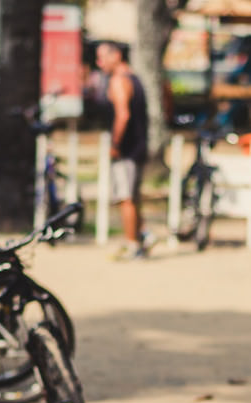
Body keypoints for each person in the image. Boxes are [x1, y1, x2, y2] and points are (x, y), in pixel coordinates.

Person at [95, 41, 151, 260]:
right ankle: (143, 235)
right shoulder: (135, 78)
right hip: (139, 144)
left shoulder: (118, 81)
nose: (99, 63)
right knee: (134, 196)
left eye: (102, 57)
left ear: (116, 55)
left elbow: (123, 115)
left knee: (125, 197)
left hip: (126, 148)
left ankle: (132, 244)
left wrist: (115, 144)